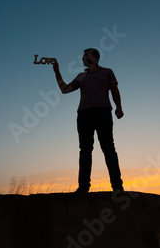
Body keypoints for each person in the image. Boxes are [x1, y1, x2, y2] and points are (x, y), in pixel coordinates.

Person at [52, 48, 124, 193]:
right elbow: (65, 90)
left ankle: (117, 186)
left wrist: (119, 107)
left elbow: (115, 90)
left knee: (108, 147)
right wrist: (57, 71)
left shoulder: (107, 72)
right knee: (85, 150)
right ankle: (83, 186)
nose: (83, 57)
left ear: (94, 56)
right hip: (84, 114)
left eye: (85, 54)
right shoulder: (81, 76)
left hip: (103, 112)